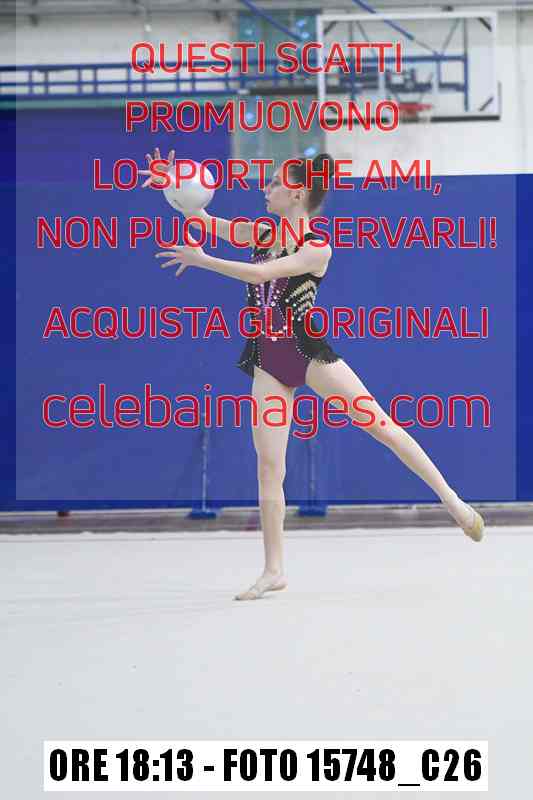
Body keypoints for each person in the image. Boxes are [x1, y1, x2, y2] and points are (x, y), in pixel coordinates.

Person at [140, 148, 484, 602]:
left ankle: (454, 503)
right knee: (270, 466)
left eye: (275, 183)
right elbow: (204, 220)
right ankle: (274, 570)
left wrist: (204, 261)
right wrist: (175, 188)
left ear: (298, 193)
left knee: (381, 426)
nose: (266, 189)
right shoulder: (262, 231)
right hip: (267, 357)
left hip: (307, 352)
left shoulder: (316, 246)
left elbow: (261, 272)